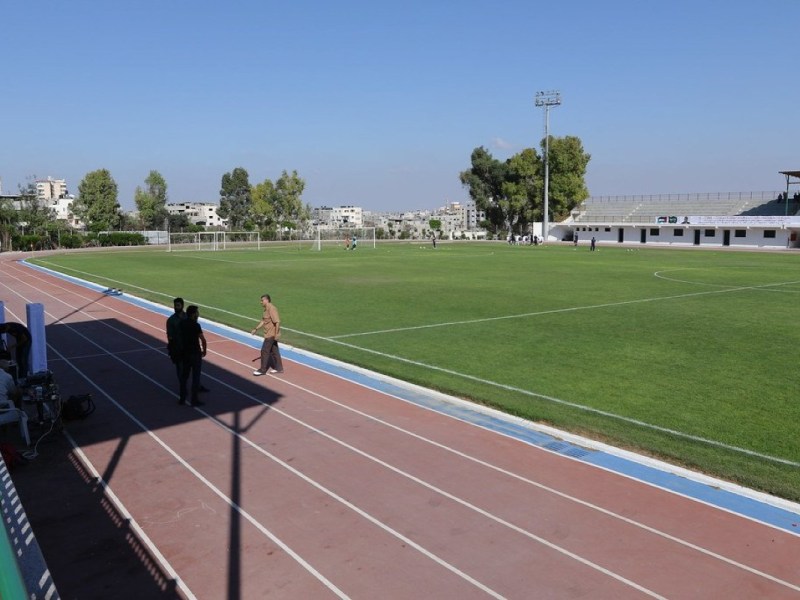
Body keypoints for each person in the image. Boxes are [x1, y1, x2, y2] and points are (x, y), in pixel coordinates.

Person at [166, 298, 208, 393]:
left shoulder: (188, 317)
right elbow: (170, 336)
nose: (176, 307)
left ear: (182, 306)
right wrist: (173, 349)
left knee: (194, 370)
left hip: (189, 348)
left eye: (178, 305)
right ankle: (183, 390)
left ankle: (197, 386)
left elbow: (195, 330)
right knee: (181, 370)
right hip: (179, 349)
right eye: (175, 305)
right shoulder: (171, 320)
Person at [177, 305, 207, 406]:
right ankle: (194, 400)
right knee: (195, 377)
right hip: (195, 354)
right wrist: (204, 351)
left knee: (184, 377)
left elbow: (179, 338)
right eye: (197, 312)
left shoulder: (182, 324)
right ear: (193, 314)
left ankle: (182, 398)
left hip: (185, 353)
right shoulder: (196, 325)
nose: (198, 314)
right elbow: (203, 339)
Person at [251, 294, 284, 375]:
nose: (261, 302)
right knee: (274, 351)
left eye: (262, 300)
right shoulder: (265, 309)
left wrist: (276, 334)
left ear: (266, 300)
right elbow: (263, 321)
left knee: (264, 351)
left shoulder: (272, 308)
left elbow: (277, 322)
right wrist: (256, 329)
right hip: (269, 334)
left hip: (271, 335)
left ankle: (262, 370)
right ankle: (279, 368)